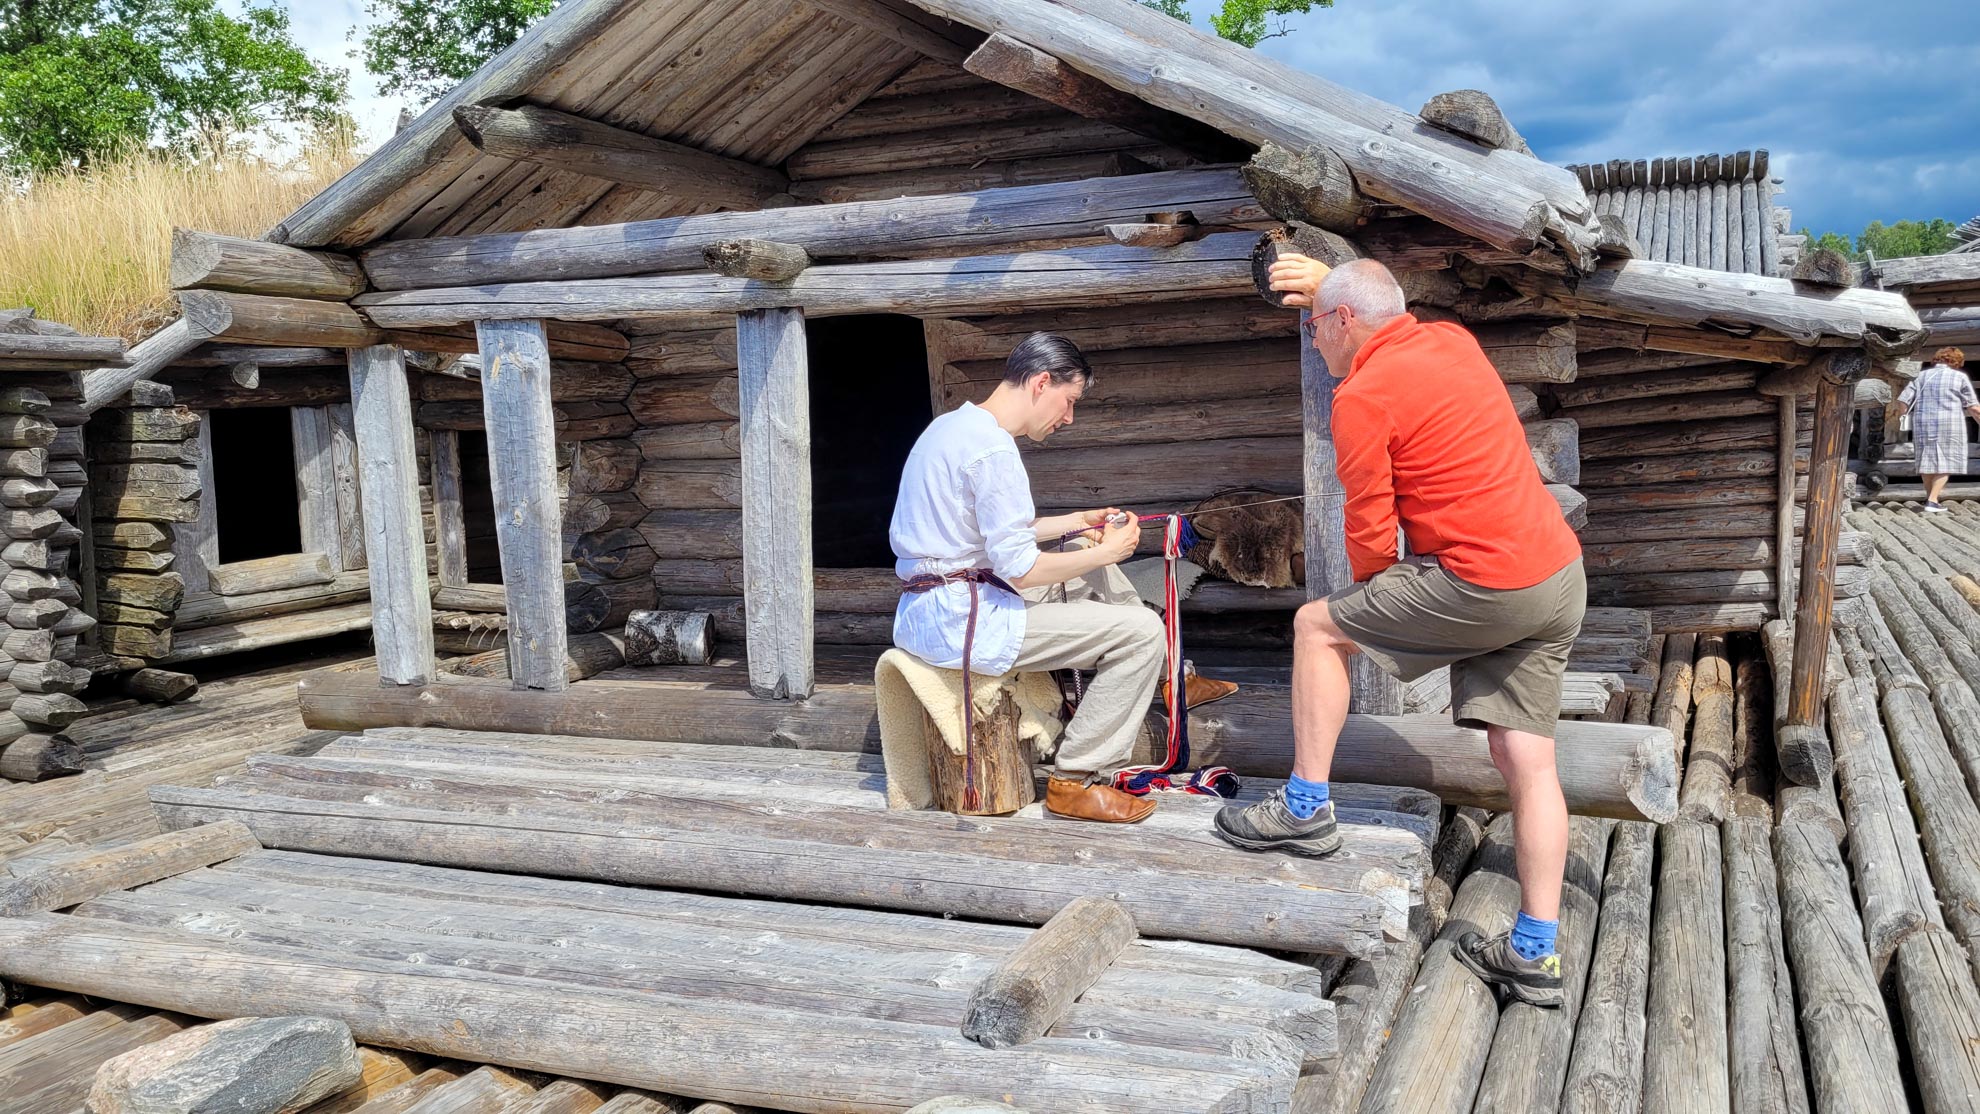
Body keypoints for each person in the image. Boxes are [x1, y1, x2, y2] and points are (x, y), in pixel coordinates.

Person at [1213, 257, 1586, 1009]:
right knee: (1528, 760)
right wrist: (1333, 284)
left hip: (1486, 583)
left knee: (1317, 627)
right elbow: (1376, 307)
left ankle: (1303, 808)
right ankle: (1534, 953)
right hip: (1557, 575)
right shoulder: (1451, 340)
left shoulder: (1361, 395)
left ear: (1343, 320)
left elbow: (1370, 526)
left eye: (1316, 325)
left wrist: (1374, 596)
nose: (1313, 339)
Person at [888, 332, 1166, 823]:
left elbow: (989, 534)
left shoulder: (950, 427)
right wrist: (1110, 552)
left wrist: (1077, 522)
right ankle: (1076, 778)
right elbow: (1021, 569)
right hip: (964, 622)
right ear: (1041, 383)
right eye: (1069, 400)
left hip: (932, 609)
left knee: (1083, 550)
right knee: (1143, 632)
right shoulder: (994, 450)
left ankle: (1165, 677)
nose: (1068, 417)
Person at [1896, 346, 1979, 512]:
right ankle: (1933, 500)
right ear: (1956, 361)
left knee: (1926, 460)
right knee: (1947, 461)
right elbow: (1973, 407)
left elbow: (1902, 401)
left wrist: (1903, 416)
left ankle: (1930, 500)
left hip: (1923, 423)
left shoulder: (1920, 376)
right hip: (1950, 423)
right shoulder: (1959, 377)